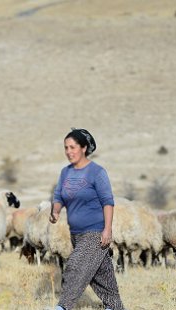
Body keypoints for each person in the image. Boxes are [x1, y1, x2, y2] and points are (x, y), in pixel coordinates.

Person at [49, 128, 124, 310]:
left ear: (83, 148)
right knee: (102, 276)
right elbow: (59, 196)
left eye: (72, 147)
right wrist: (56, 211)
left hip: (95, 232)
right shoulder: (65, 173)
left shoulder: (97, 172)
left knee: (75, 266)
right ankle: (115, 307)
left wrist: (107, 229)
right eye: (66, 148)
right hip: (76, 234)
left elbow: (107, 202)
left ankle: (63, 306)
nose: (68, 152)